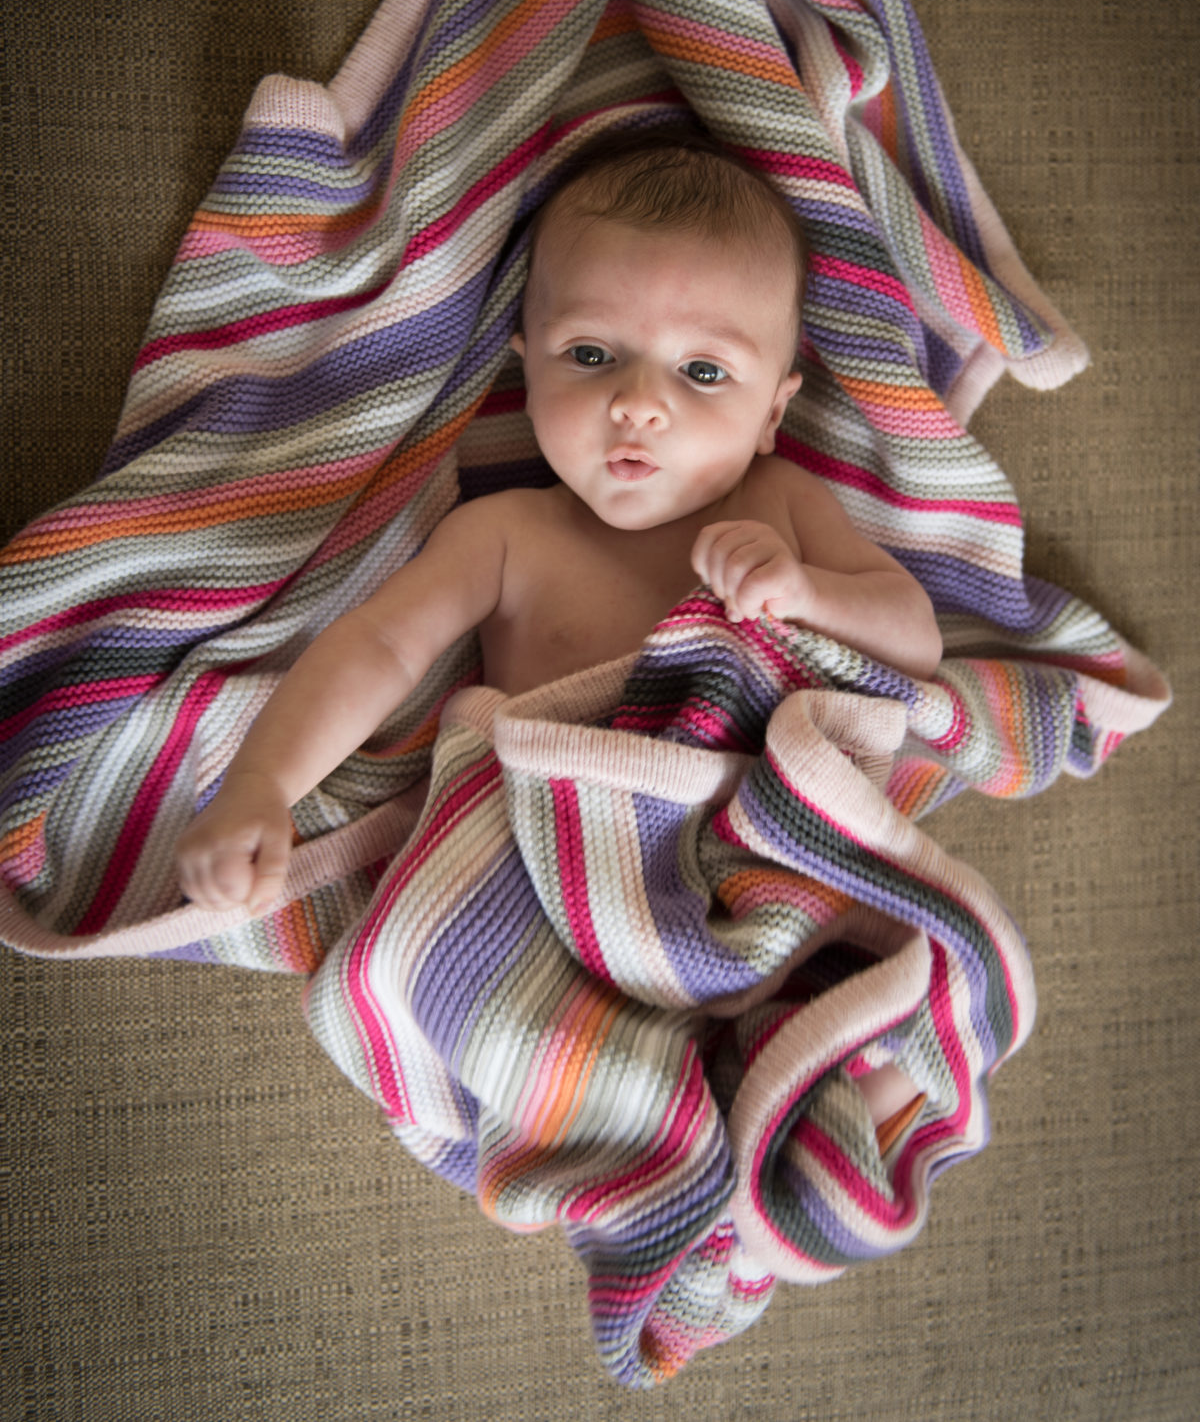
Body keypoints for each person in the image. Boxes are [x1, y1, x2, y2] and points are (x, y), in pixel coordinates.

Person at [177, 125, 939, 1134]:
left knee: (893, 963)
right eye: (592, 355)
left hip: (745, 847)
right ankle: (658, 1140)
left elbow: (914, 644)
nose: (638, 406)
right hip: (551, 876)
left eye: (703, 373)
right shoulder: (504, 535)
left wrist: (807, 592)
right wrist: (263, 783)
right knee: (429, 975)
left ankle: (813, 1082)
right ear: (524, 365)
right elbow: (378, 648)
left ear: (773, 410)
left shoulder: (784, 506)